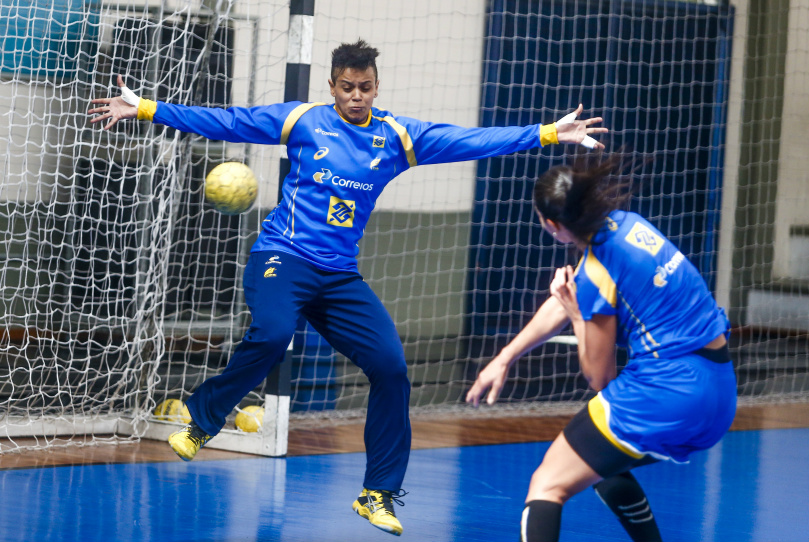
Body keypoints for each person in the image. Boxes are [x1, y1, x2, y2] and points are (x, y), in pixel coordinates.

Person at [89, 39, 607, 536]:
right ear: (332, 86)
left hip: (338, 276)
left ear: (376, 87)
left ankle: (377, 493)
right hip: (282, 258)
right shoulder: (301, 120)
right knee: (272, 335)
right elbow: (228, 120)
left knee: (391, 368)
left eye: (364, 87)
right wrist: (146, 109)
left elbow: (467, 139)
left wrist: (545, 134)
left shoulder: (397, 138)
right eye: (346, 87)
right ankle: (203, 418)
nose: (355, 96)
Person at [466, 152, 737, 542]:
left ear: (553, 225)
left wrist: (578, 319)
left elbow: (600, 377)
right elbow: (568, 298)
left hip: (666, 393)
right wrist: (505, 357)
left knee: (547, 484)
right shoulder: (628, 225)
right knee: (600, 463)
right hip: (719, 392)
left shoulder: (597, 270)